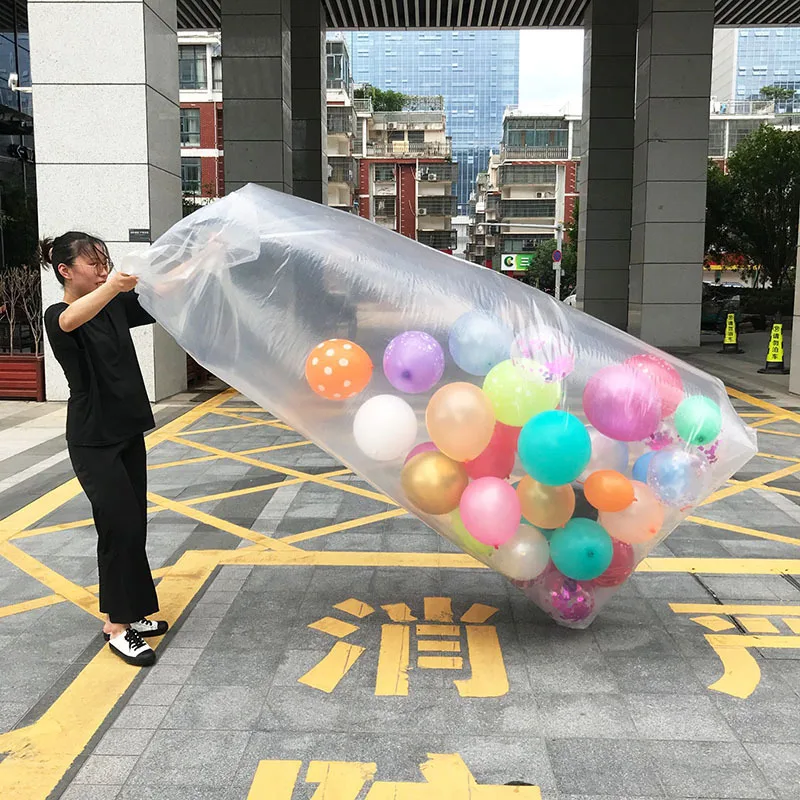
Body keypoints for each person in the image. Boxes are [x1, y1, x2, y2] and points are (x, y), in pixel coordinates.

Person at [41, 232, 168, 667]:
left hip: (127, 430)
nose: (102, 271)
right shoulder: (59, 314)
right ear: (65, 270)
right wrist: (113, 284)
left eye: (105, 263)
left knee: (134, 525)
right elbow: (69, 320)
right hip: (93, 439)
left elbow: (160, 296)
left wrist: (204, 258)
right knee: (119, 528)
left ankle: (131, 611)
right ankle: (117, 626)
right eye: (93, 264)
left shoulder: (112, 304)